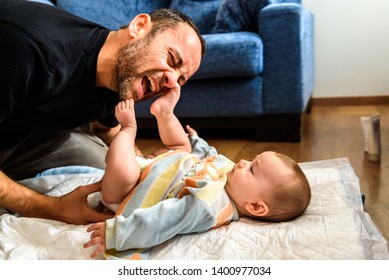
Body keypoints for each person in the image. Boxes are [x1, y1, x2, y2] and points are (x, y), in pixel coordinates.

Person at [0, 0, 206, 225]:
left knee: (119, 179)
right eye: (172, 60)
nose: (171, 80)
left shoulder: (121, 70)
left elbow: (107, 126)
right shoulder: (28, 50)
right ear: (138, 26)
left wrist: (138, 162)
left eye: (180, 81)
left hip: (28, 126)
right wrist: (52, 208)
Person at [83, 95, 311, 259]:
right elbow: (213, 157)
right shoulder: (233, 178)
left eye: (252, 169)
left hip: (128, 190)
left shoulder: (209, 206)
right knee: (183, 146)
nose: (243, 162)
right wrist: (198, 142)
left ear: (255, 206)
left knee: (124, 169)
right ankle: (165, 113)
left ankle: (127, 129)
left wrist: (119, 233)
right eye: (252, 159)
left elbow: (164, 219)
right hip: (160, 168)